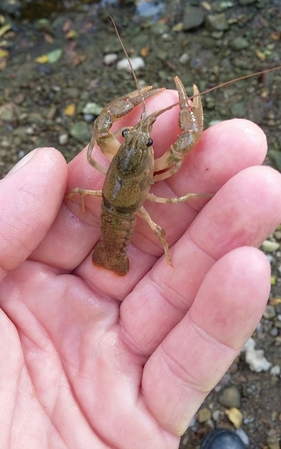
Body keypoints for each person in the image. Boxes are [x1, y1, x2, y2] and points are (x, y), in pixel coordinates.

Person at [0, 90, 280, 449]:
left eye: (138, 138)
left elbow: (102, 132)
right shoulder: (157, 164)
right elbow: (179, 153)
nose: (134, 135)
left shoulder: (109, 153)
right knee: (179, 201)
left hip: (109, 208)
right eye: (133, 135)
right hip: (123, 216)